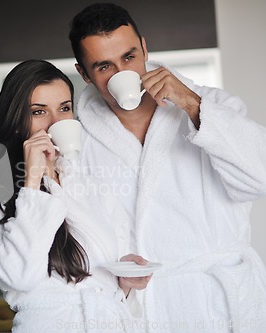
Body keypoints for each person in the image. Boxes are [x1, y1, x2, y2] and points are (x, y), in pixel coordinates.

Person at [68, 3, 266, 332]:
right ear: (84, 74)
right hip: (148, 311)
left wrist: (191, 105)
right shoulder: (78, 142)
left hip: (225, 306)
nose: (122, 74)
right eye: (104, 67)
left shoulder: (211, 105)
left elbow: (260, 177)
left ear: (144, 47)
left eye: (129, 57)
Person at [0, 59, 150, 333]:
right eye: (39, 112)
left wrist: (124, 281)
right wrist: (31, 183)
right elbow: (20, 276)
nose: (55, 122)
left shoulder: (86, 185)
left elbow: (100, 279)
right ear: (17, 121)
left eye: (64, 108)